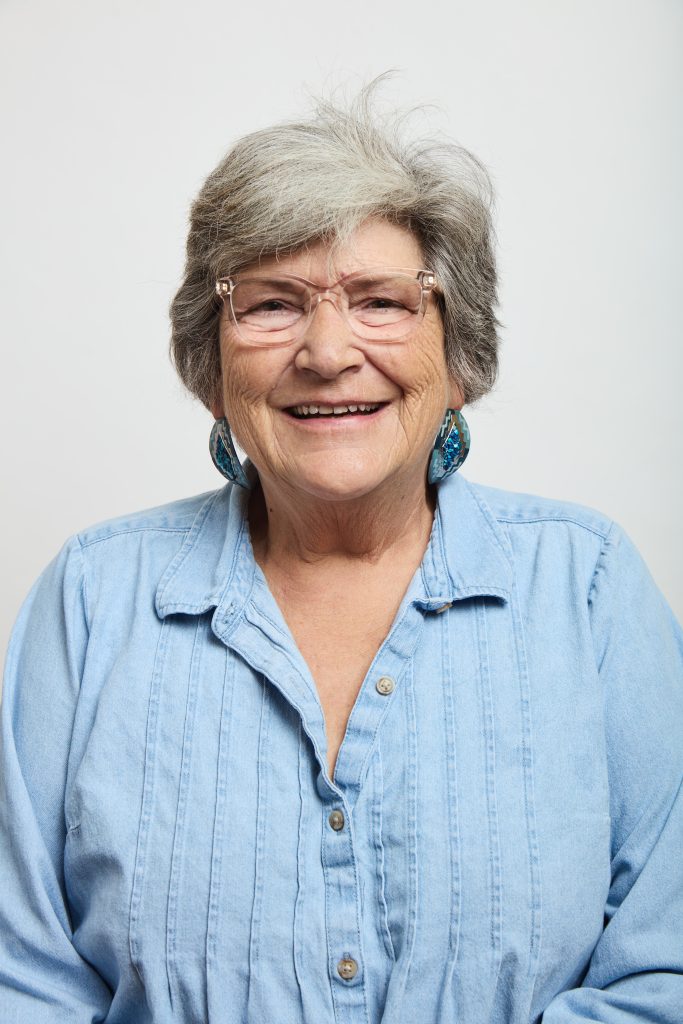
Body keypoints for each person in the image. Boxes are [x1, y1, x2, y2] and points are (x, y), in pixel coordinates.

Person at [1, 87, 681, 1024]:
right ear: (213, 363)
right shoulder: (89, 599)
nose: (327, 351)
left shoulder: (589, 587)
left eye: (380, 301)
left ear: (458, 354)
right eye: (273, 304)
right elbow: (22, 982)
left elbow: (665, 974)